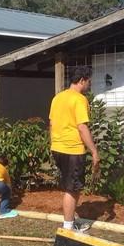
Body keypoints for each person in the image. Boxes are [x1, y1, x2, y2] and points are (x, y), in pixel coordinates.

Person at [49, 65, 100, 232]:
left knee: (69, 186)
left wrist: (53, 143)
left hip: (57, 148)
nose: (89, 85)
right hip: (73, 150)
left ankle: (69, 222)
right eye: (88, 82)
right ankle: (69, 227)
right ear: (81, 80)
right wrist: (93, 151)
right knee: (73, 189)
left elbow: (51, 124)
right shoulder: (79, 99)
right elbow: (82, 127)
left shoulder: (57, 98)